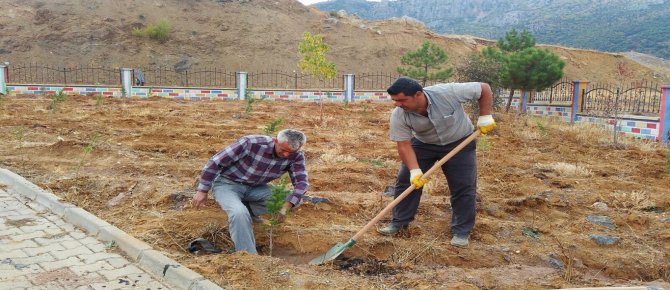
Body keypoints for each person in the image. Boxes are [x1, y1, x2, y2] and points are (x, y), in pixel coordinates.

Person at [378, 77, 496, 247]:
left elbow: (484, 87)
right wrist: (414, 171)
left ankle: (461, 231)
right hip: (424, 144)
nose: (398, 104)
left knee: (463, 186)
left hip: (460, 141)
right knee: (406, 181)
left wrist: (485, 116)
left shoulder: (447, 93)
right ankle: (399, 223)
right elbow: (403, 145)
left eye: (402, 100)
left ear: (418, 94)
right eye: (395, 100)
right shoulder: (399, 115)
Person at [191, 129, 308, 254]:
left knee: (292, 199)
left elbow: (302, 183)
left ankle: (249, 211)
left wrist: (286, 207)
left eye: (290, 152)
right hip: (228, 184)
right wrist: (202, 191)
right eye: (283, 150)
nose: (286, 155)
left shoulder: (296, 155)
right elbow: (215, 162)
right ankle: (248, 255)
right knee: (239, 213)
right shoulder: (251, 143)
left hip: (256, 188)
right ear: (275, 141)